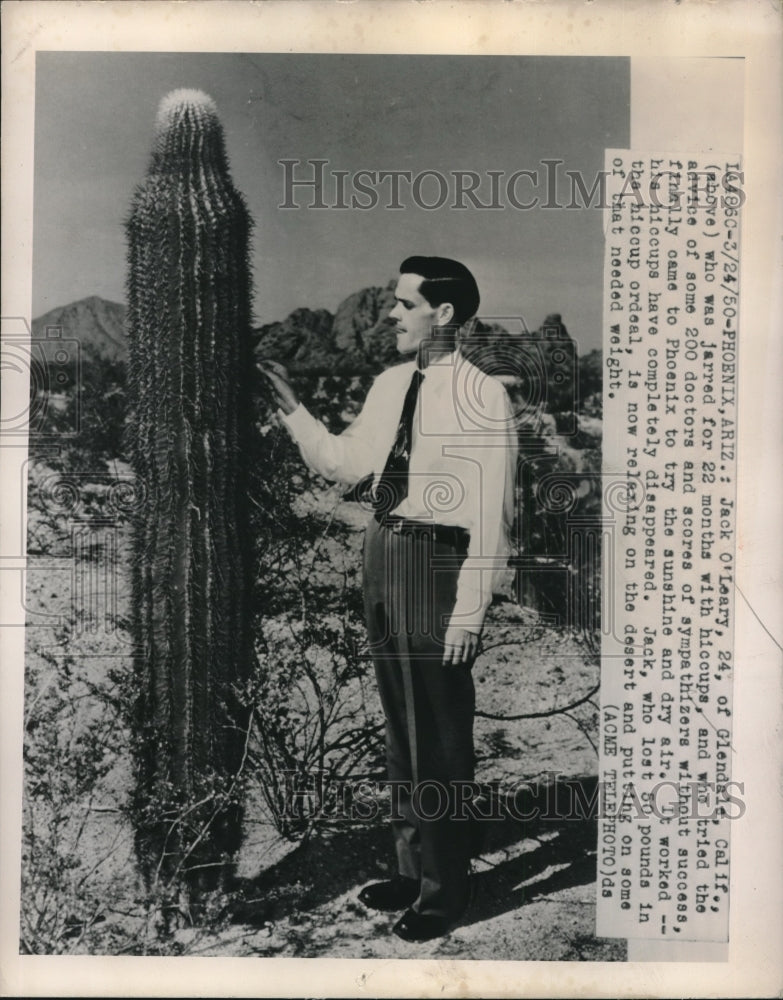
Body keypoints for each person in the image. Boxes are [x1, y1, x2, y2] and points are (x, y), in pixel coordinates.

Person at [261, 256, 518, 941]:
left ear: (444, 313)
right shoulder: (389, 384)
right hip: (382, 549)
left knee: (438, 730)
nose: (390, 314)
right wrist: (293, 409)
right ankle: (411, 868)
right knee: (400, 727)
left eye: (405, 304)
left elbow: (492, 513)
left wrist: (469, 612)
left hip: (436, 561)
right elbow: (345, 463)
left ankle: (446, 889)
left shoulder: (483, 396)